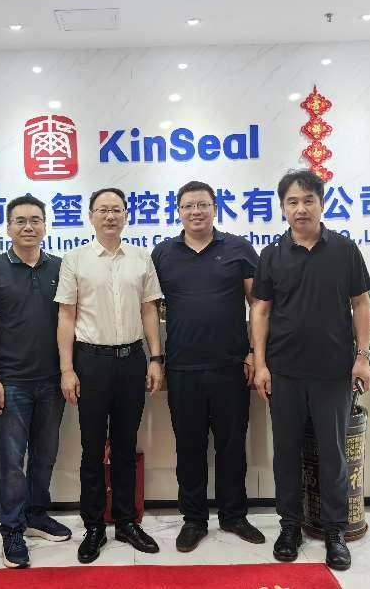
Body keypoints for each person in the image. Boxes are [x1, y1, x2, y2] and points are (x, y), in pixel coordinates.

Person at [250, 169, 370, 572]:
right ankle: (289, 527)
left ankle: (335, 531)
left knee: (333, 454)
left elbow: (361, 304)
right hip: (284, 372)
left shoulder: (344, 250)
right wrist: (261, 364)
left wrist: (362, 357)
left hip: (333, 373)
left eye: (308, 200)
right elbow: (261, 311)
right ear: (282, 208)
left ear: (322, 203)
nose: (300, 208)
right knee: (286, 453)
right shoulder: (272, 255)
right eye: (292, 202)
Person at [151, 180, 264, 553]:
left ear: (215, 207)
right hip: (183, 368)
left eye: (202, 204)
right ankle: (194, 519)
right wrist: (156, 358)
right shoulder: (163, 254)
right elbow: (151, 307)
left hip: (231, 366)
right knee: (189, 447)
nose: (195, 211)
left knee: (232, 446)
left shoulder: (238, 248)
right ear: (178, 211)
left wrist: (254, 352)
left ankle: (234, 515)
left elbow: (258, 306)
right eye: (188, 205)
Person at [54, 187, 164, 564]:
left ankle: (126, 521)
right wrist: (67, 369)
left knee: (125, 444)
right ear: (91, 216)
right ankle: (94, 525)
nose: (110, 216)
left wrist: (155, 358)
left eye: (116, 209)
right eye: (102, 210)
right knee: (91, 447)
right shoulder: (75, 260)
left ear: (126, 215)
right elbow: (66, 316)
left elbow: (149, 310)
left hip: (132, 360)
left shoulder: (141, 258)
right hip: (90, 362)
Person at [0, 194, 71, 569]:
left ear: (45, 226)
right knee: (12, 462)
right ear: (8, 227)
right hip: (11, 381)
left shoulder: (61, 267)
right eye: (20, 221)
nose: (28, 227)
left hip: (52, 381)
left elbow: (68, 321)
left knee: (45, 455)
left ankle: (36, 515)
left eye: (35, 220)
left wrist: (67, 371)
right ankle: (11, 529)